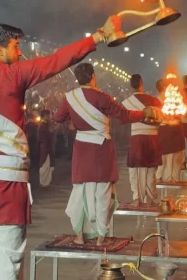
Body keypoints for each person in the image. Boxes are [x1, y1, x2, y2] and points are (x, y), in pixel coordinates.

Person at [0, 17, 122, 280]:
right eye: (16, 46)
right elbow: (57, 60)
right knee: (9, 257)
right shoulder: (15, 74)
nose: (19, 52)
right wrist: (97, 37)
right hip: (9, 185)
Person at [54, 63, 159, 245]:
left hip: (82, 149)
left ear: (78, 79)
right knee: (103, 192)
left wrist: (77, 120)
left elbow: (58, 118)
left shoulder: (69, 98)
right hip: (102, 148)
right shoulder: (102, 97)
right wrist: (144, 113)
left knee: (80, 191)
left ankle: (80, 236)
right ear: (93, 76)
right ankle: (101, 237)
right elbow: (124, 115)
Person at [122, 74, 162, 207]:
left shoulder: (126, 102)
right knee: (151, 169)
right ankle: (151, 197)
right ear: (141, 84)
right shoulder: (153, 100)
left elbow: (122, 119)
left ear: (131, 85)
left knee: (135, 169)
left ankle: (137, 197)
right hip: (152, 138)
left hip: (137, 138)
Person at [155, 78, 185, 183]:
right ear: (164, 87)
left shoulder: (172, 97)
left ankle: (166, 178)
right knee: (171, 157)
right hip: (168, 130)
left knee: (170, 157)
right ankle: (170, 179)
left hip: (173, 130)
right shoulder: (160, 99)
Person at [38, 109, 54, 187]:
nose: (49, 117)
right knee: (44, 164)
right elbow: (43, 137)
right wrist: (51, 133)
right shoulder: (43, 125)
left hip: (47, 146)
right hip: (45, 147)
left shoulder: (45, 124)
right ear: (44, 116)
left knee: (47, 163)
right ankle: (43, 182)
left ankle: (46, 182)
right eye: (47, 115)